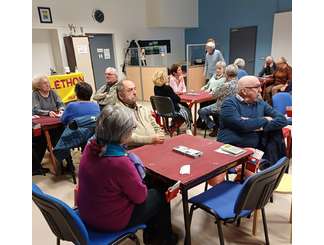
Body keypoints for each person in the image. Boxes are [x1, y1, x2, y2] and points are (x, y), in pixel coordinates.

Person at [77, 105, 177, 245]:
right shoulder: (119, 162)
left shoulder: (91, 146)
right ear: (122, 134)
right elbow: (140, 197)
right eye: (131, 129)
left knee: (150, 181)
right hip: (108, 220)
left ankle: (153, 233)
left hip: (87, 212)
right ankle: (163, 239)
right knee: (160, 192)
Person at [218, 75, 287, 157]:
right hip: (233, 148)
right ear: (244, 91)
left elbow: (282, 119)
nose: (260, 90)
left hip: (257, 149)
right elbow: (242, 125)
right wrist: (265, 119)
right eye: (257, 87)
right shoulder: (229, 104)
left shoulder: (260, 103)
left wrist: (258, 126)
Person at [54, 82, 101, 176]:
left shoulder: (71, 106)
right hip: (92, 137)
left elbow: (63, 120)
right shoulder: (96, 105)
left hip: (75, 139)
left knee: (56, 134)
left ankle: (69, 165)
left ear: (76, 93)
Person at [116, 79, 166, 147]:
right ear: (121, 95)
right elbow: (126, 138)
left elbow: (155, 126)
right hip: (134, 150)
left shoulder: (143, 108)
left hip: (154, 146)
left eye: (135, 89)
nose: (134, 92)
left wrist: (160, 135)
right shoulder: (118, 112)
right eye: (130, 90)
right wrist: (151, 139)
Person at [32, 74, 65, 174]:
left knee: (60, 134)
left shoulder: (52, 92)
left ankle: (63, 162)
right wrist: (48, 112)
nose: (48, 84)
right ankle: (35, 167)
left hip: (53, 120)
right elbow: (35, 109)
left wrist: (61, 109)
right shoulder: (35, 94)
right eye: (44, 83)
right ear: (38, 86)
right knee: (39, 141)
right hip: (38, 123)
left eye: (48, 82)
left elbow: (60, 103)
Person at [198, 64, 238, 137]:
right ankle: (216, 126)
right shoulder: (239, 83)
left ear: (226, 73)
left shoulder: (226, 85)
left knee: (201, 111)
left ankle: (214, 127)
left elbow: (214, 95)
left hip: (221, 107)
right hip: (234, 107)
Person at [153, 70, 193, 135]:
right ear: (163, 78)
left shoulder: (155, 88)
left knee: (184, 106)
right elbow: (177, 99)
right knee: (187, 109)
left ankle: (173, 124)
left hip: (161, 110)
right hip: (171, 110)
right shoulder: (167, 88)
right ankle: (179, 127)